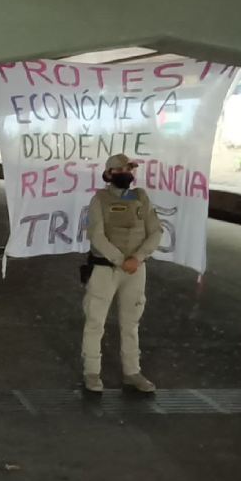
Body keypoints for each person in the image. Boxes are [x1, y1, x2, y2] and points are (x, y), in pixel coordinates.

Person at [80, 154, 162, 394]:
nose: (129, 173)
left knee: (131, 322)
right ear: (110, 173)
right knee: (96, 321)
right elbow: (97, 235)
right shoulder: (99, 200)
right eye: (124, 169)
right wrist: (120, 260)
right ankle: (92, 372)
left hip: (135, 269)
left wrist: (136, 258)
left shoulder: (141, 197)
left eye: (130, 169)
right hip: (105, 269)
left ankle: (132, 372)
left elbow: (155, 231)